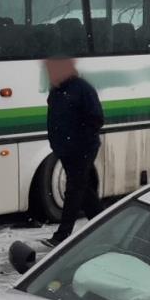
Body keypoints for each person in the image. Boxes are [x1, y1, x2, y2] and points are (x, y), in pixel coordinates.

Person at [42, 55, 105, 247]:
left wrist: (79, 141)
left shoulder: (82, 89)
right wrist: (57, 144)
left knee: (74, 190)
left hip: (82, 148)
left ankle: (63, 234)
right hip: (66, 149)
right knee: (83, 190)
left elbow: (96, 119)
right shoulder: (57, 91)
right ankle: (102, 225)